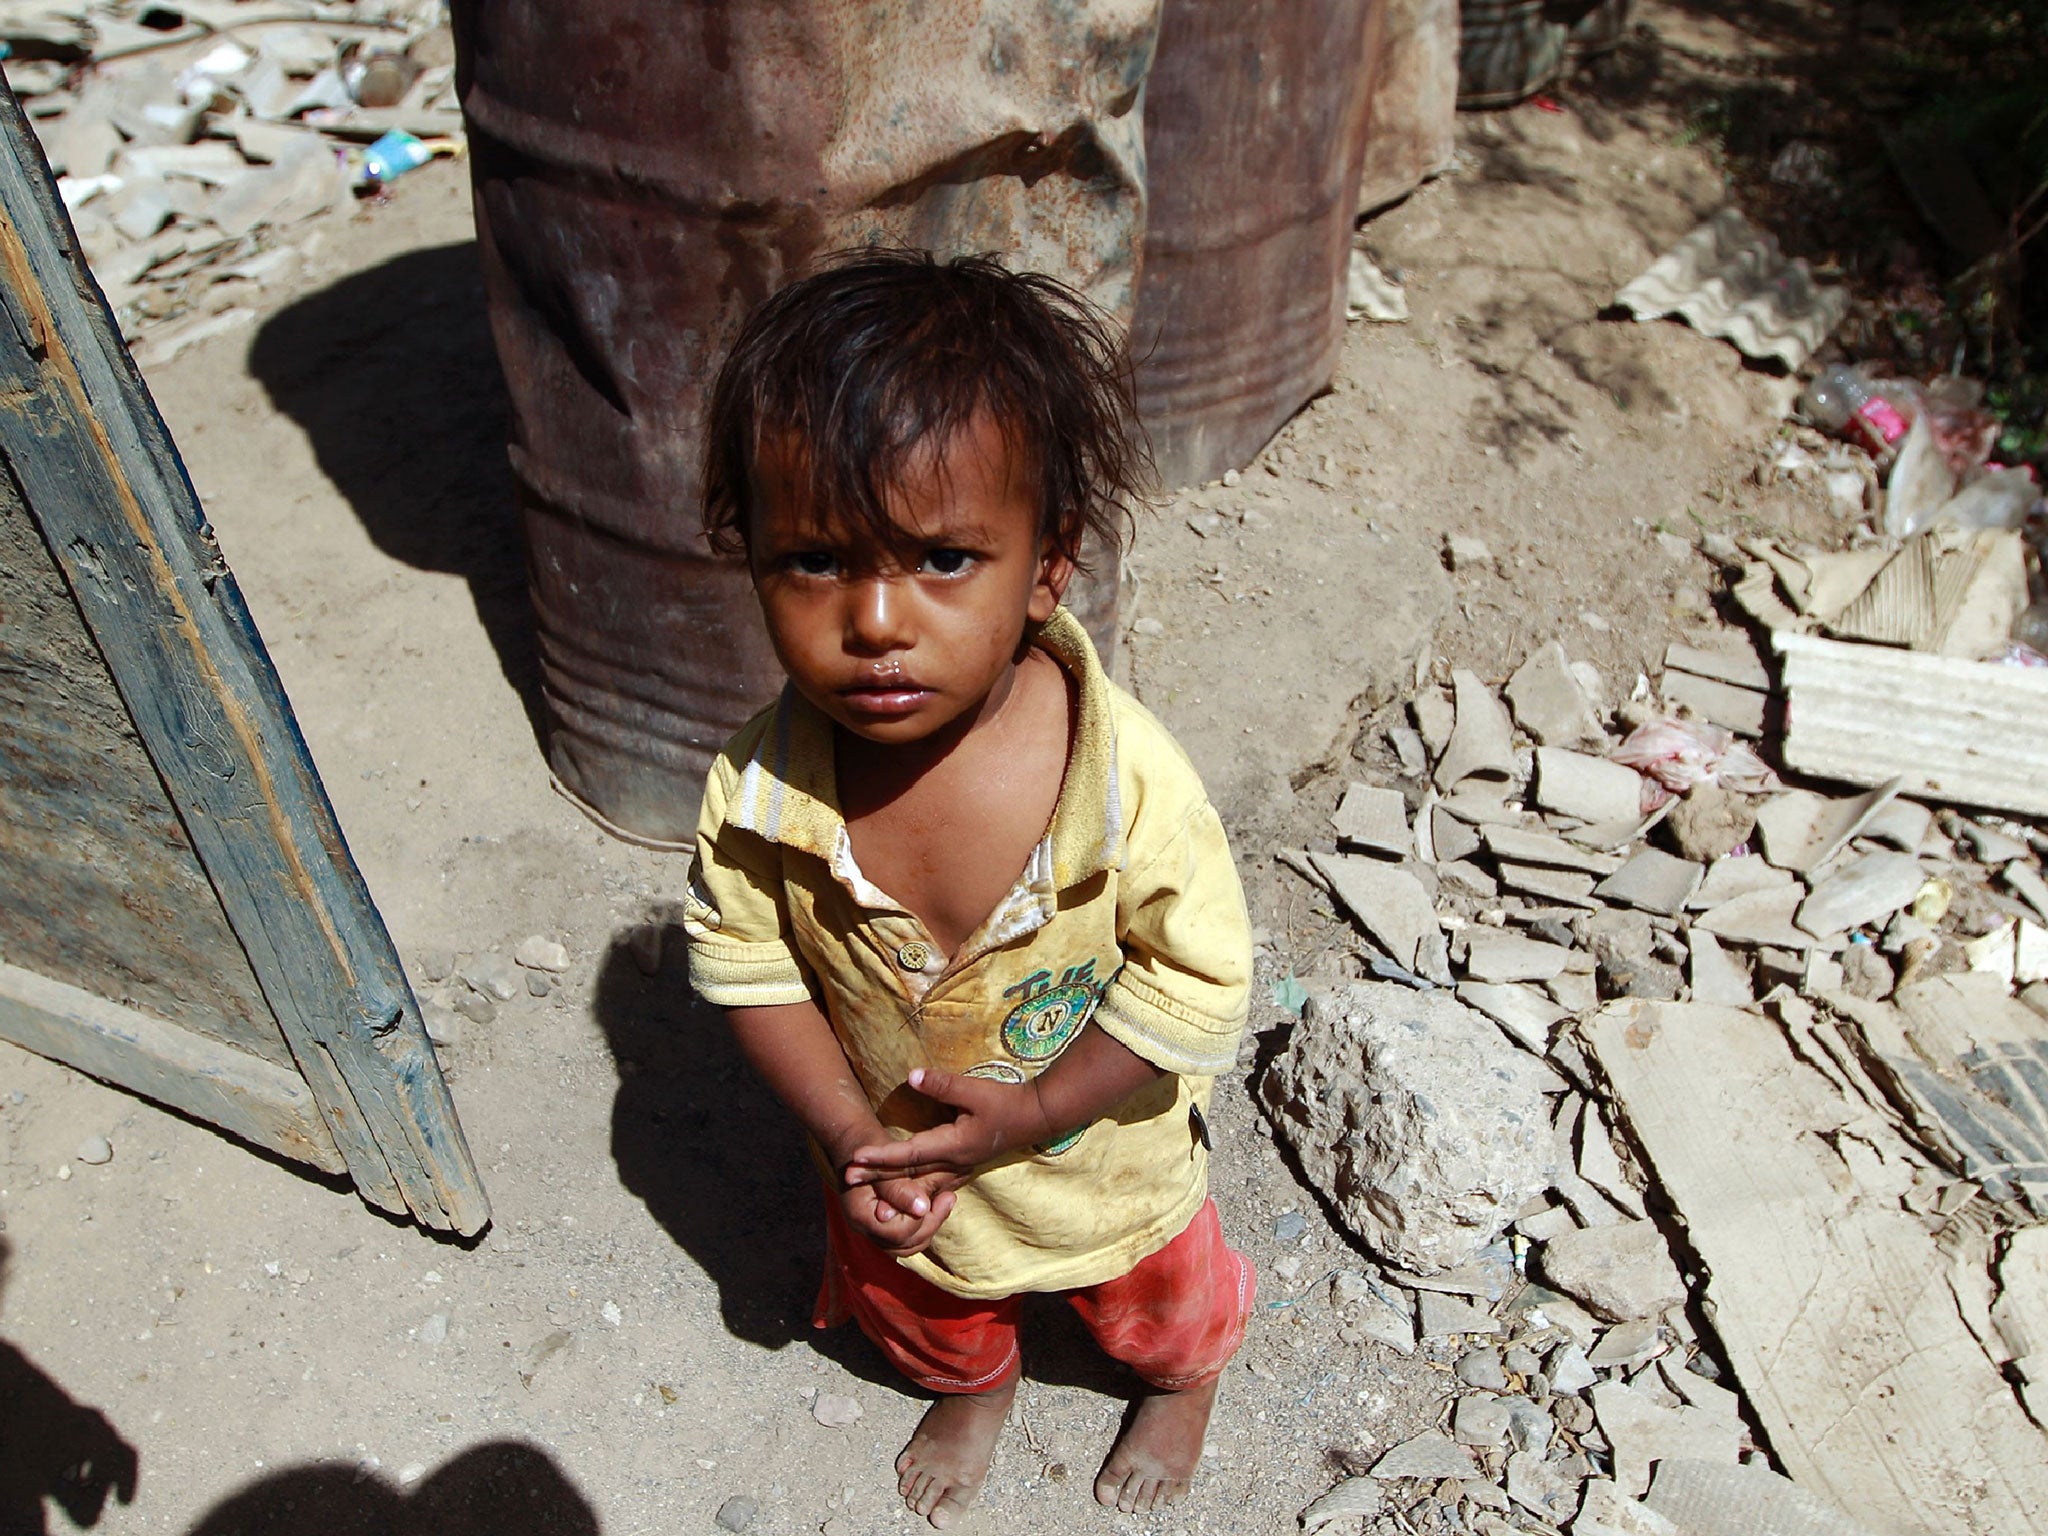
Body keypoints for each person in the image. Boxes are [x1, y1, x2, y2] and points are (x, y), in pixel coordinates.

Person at [682, 248, 1255, 1529]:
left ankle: (1183, 1383)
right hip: (898, 1161)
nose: (877, 618)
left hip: (1098, 1153)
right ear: (750, 557)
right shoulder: (764, 796)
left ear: (1046, 567)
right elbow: (750, 968)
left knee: (1155, 1297)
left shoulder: (1126, 789)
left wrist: (1039, 1106)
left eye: (943, 560)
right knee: (923, 1301)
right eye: (816, 561)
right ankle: (976, 1383)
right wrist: (843, 1135)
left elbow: (1196, 981)